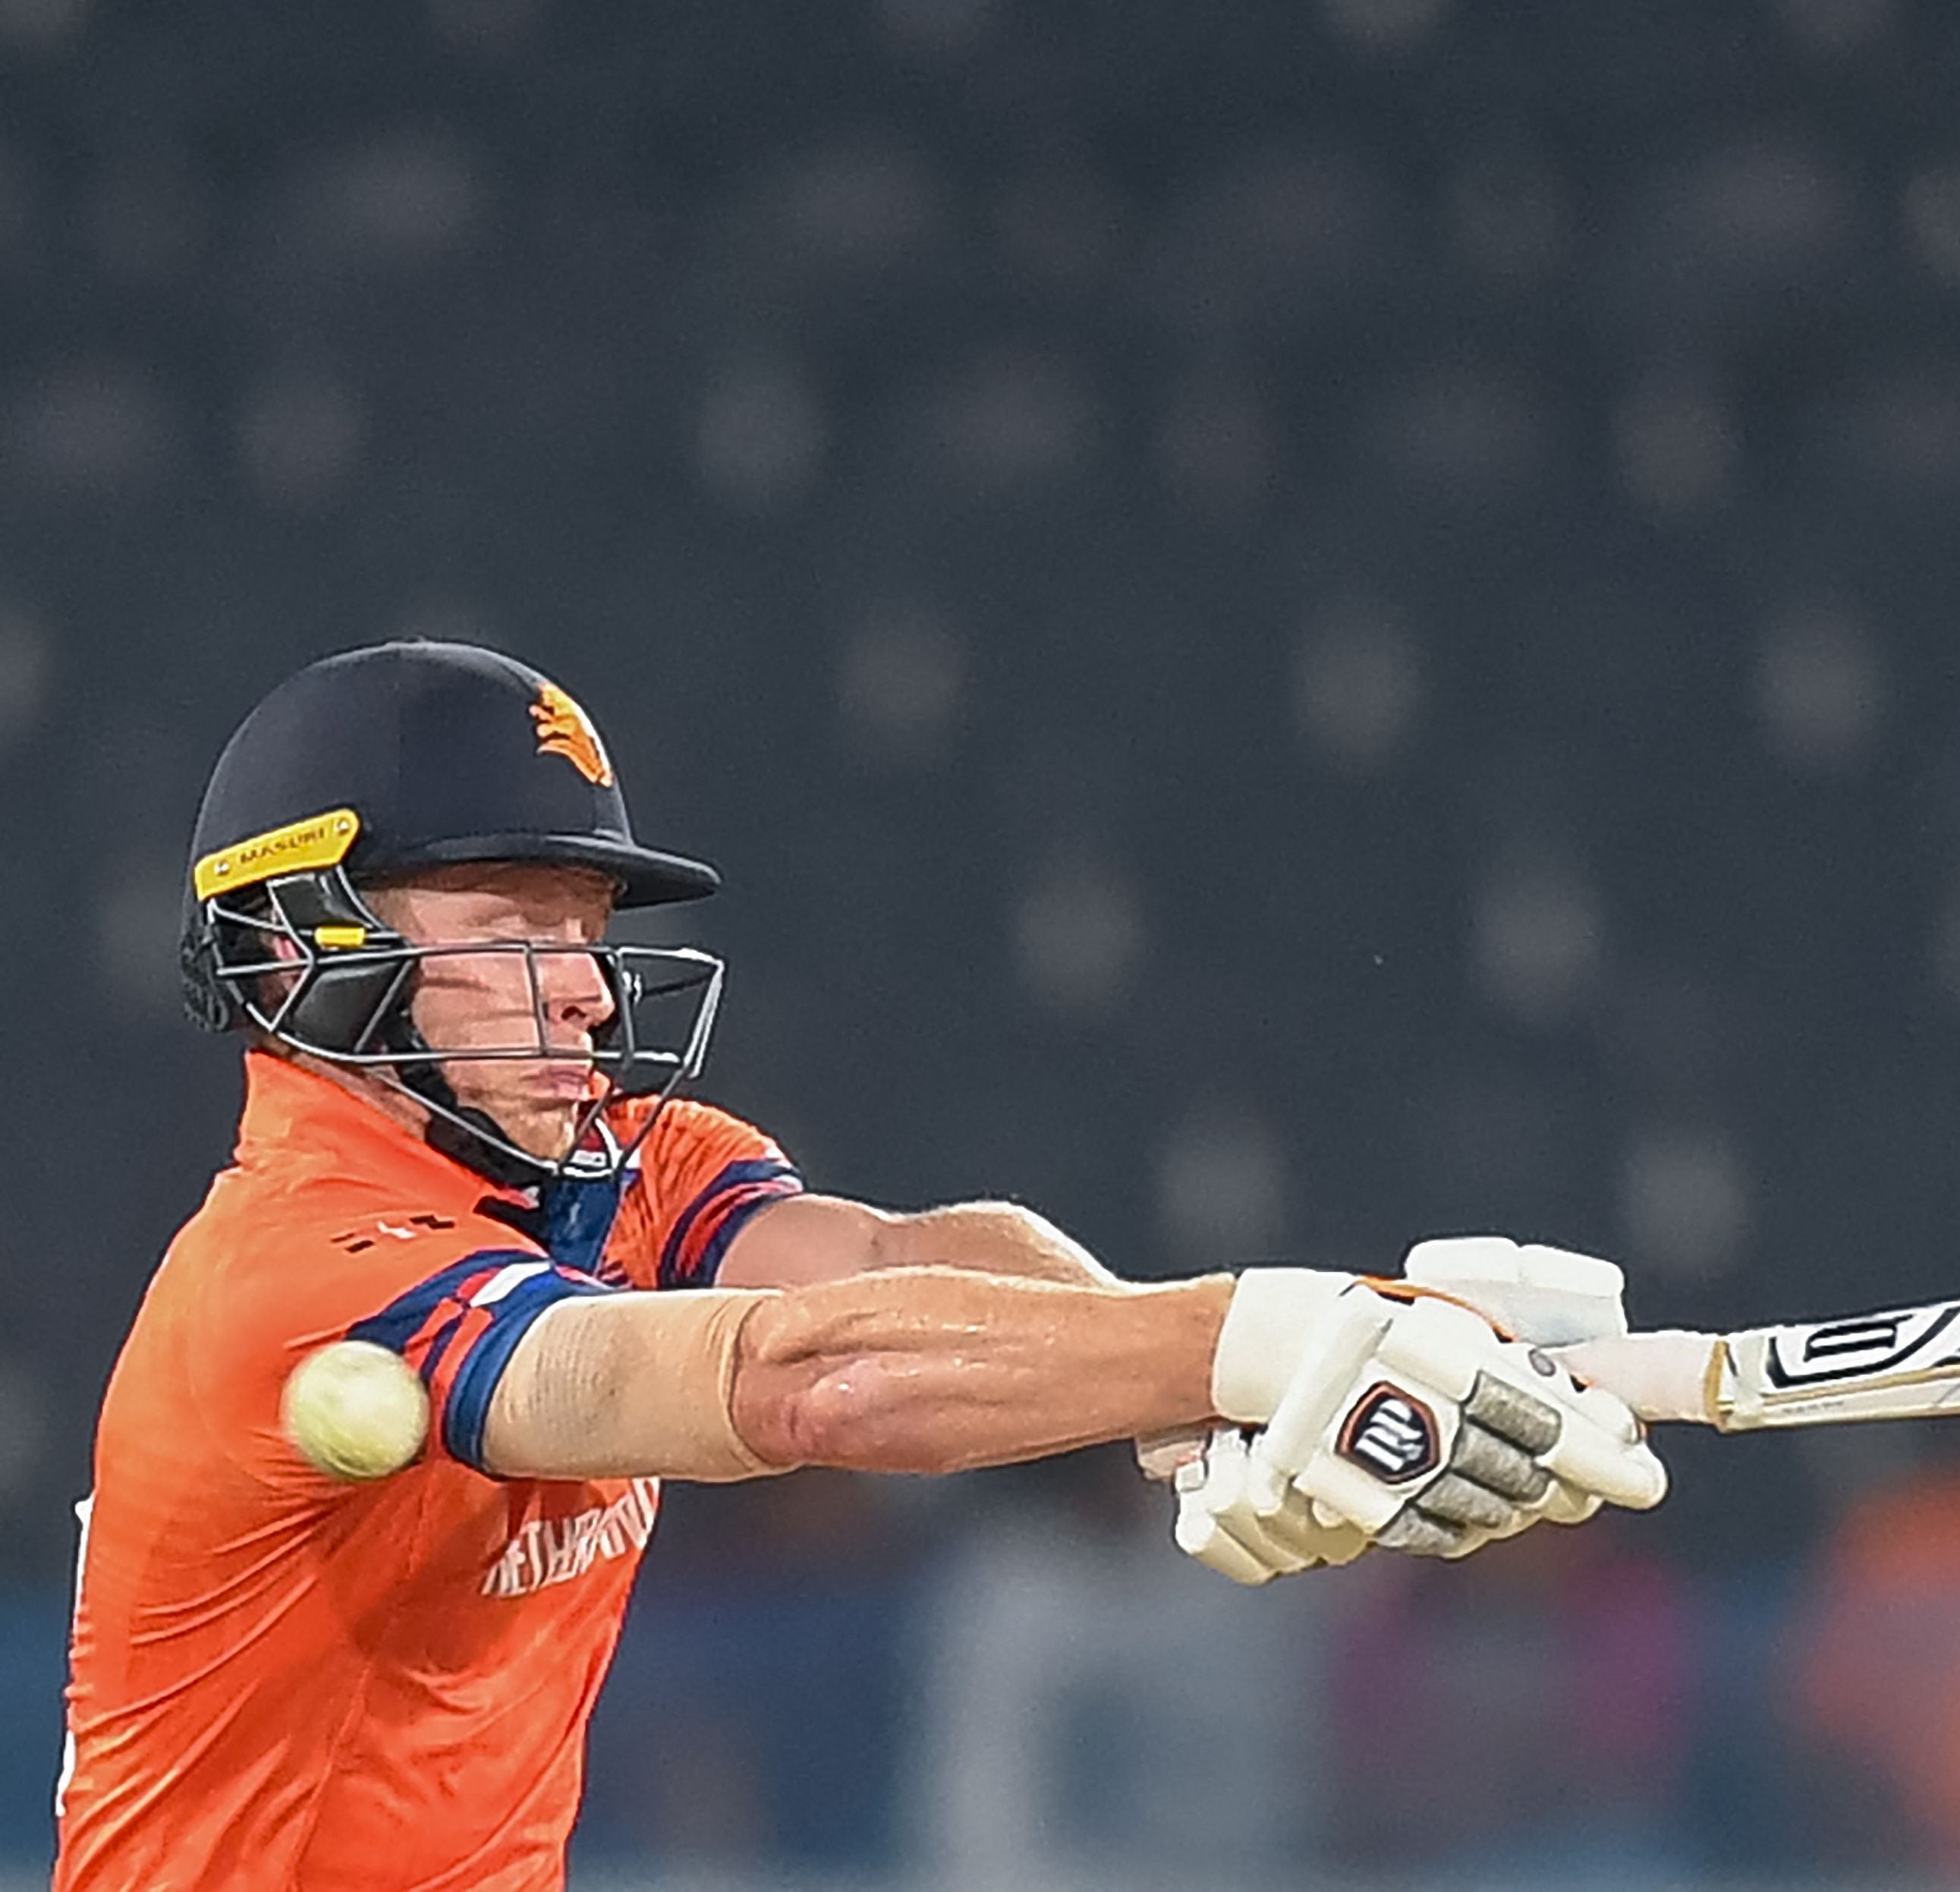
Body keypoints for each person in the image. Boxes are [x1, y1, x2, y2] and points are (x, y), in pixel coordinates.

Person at [54, 640, 1666, 1889]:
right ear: (297, 944)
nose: (591, 995)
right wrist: (1261, 1340)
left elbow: (901, 1259)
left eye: (585, 928)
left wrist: (1211, 1391)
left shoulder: (612, 1163)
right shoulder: (294, 1274)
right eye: (512, 927)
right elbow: (798, 1378)